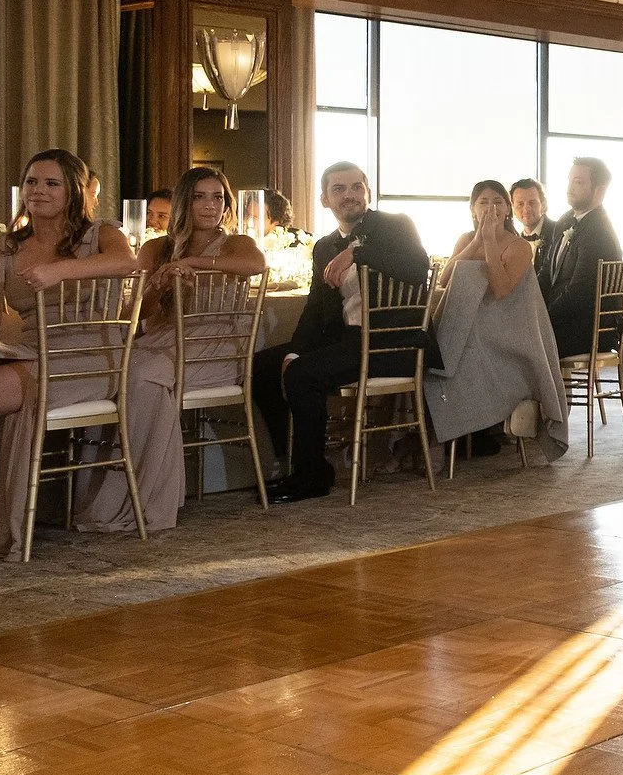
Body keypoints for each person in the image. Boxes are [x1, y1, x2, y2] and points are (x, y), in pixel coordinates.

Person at [0, 150, 141, 559]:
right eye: (32, 183)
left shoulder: (101, 234)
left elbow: (126, 263)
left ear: (74, 190)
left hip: (91, 354)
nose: (38, 191)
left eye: (51, 183)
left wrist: (59, 270)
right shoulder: (7, 248)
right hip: (30, 350)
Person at [250, 162, 432, 504]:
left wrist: (357, 253)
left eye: (355, 187)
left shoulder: (395, 226)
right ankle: (286, 461)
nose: (349, 195)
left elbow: (416, 266)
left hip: (394, 342)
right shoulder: (324, 246)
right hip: (348, 342)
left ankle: (313, 473)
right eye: (339, 189)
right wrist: (293, 352)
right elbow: (315, 308)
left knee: (304, 376)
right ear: (324, 199)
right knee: (263, 365)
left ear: (367, 192)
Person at [114, 166, 266, 526]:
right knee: (118, 371)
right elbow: (133, 315)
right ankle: (122, 495)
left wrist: (193, 262)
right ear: (185, 201)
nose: (210, 205)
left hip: (216, 346)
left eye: (218, 197)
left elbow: (255, 264)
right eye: (200, 197)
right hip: (163, 339)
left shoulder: (235, 243)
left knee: (141, 375)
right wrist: (160, 283)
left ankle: (151, 501)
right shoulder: (155, 248)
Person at [427, 179, 569, 462]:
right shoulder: (465, 239)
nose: (490, 208)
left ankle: (477, 432)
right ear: (472, 209)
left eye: (497, 203)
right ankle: (448, 437)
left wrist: (491, 242)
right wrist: (477, 242)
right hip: (467, 327)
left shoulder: (518, 247)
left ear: (507, 210)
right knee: (437, 355)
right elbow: (444, 279)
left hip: (507, 331)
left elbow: (502, 289)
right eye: (483, 203)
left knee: (465, 359)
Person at [542, 157, 623, 360]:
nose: (569, 188)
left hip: (585, 330)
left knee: (516, 343)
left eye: (578, 182)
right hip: (564, 324)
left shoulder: (598, 232)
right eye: (570, 180)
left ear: (600, 190)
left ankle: (546, 393)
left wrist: (543, 318)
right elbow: (546, 273)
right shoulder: (565, 220)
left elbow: (579, 293)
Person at [509, 176, 558, 268]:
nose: (526, 209)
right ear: (513, 208)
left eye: (532, 203)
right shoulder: (514, 242)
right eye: (520, 204)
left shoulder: (558, 233)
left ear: (543, 204)